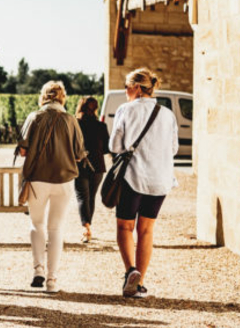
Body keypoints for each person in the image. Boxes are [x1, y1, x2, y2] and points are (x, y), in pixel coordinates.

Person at [110, 68, 178, 298]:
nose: (125, 90)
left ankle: (130, 271)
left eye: (127, 86)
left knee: (125, 227)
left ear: (137, 88)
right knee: (147, 230)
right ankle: (139, 284)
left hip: (133, 177)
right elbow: (174, 148)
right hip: (160, 179)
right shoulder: (167, 113)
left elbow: (115, 146)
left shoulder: (125, 109)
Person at [18, 81, 86, 293]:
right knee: (56, 228)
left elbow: (22, 151)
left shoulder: (34, 117)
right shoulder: (70, 120)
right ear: (62, 98)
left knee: (36, 224)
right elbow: (79, 153)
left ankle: (38, 270)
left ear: (43, 97)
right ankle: (52, 281)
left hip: (37, 179)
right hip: (64, 180)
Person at [73, 96, 110, 243]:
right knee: (91, 197)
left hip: (79, 164)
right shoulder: (101, 126)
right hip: (98, 166)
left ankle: (86, 228)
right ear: (95, 108)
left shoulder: (75, 124)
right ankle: (88, 226)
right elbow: (107, 148)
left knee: (82, 196)